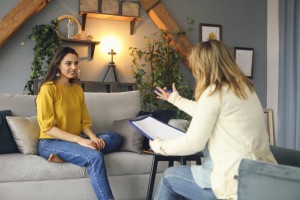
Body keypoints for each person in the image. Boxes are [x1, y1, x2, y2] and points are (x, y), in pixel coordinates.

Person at [151, 40, 277, 200]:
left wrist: (159, 146)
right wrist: (176, 99)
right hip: (258, 175)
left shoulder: (214, 93)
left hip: (233, 182)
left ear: (202, 66)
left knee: (169, 177)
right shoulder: (244, 89)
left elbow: (193, 144)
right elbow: (205, 112)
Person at [36, 47, 121, 200]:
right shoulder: (48, 89)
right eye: (68, 63)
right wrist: (81, 140)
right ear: (58, 65)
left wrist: (93, 137)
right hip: (50, 143)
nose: (74, 68)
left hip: (75, 141)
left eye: (76, 63)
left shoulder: (77, 90)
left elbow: (84, 122)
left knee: (115, 137)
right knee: (95, 157)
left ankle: (70, 155)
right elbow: (47, 127)